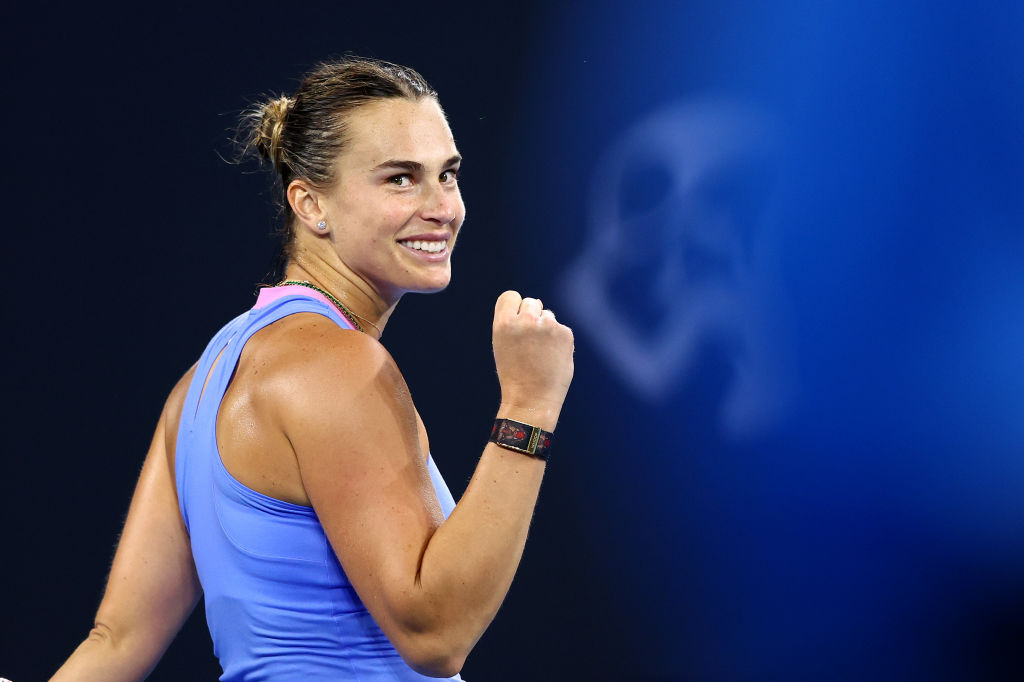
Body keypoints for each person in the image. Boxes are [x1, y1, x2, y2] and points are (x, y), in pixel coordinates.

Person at [51, 57, 574, 681]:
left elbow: (115, 642)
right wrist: (528, 405)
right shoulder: (336, 366)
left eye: (448, 174)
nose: (443, 207)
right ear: (310, 203)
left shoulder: (200, 383)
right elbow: (435, 634)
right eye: (400, 179)